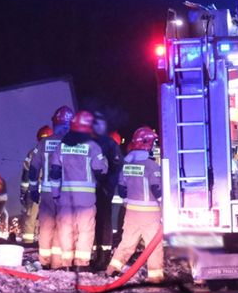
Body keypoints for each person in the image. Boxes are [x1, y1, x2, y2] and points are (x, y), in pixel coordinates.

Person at [50, 110, 107, 270]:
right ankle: (81, 265)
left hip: (65, 198)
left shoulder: (61, 146)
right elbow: (100, 171)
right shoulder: (93, 147)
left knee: (65, 229)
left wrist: (55, 195)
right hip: (86, 199)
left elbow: (54, 173)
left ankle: (66, 264)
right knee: (85, 231)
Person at [106, 127, 164, 283]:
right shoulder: (152, 166)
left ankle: (112, 269)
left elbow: (122, 190)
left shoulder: (126, 165)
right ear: (147, 144)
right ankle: (156, 278)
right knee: (153, 246)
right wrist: (165, 206)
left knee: (127, 243)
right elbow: (157, 189)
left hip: (131, 212)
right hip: (150, 213)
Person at [27, 106, 73, 268]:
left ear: (55, 123)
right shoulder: (74, 144)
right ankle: (59, 263)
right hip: (66, 194)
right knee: (63, 227)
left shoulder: (44, 143)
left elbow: (33, 168)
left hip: (47, 193)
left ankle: (44, 261)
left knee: (46, 227)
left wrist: (33, 189)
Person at [91, 111, 122, 270]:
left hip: (103, 190)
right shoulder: (88, 142)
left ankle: (104, 257)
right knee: (92, 223)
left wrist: (107, 186)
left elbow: (116, 167)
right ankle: (94, 255)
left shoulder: (110, 144)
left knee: (104, 222)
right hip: (89, 190)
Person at [19, 125, 53, 244]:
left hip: (35, 191)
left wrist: (23, 193)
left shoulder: (33, 153)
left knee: (30, 218)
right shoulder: (60, 151)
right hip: (52, 192)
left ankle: (28, 243)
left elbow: (26, 176)